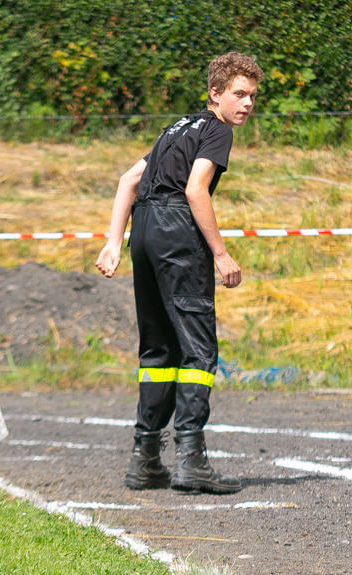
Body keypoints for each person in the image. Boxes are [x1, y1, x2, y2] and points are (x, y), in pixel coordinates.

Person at [95, 52, 262, 494]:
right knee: (198, 349)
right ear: (215, 94)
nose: (246, 104)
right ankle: (191, 461)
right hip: (176, 233)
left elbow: (129, 181)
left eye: (252, 97)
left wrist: (115, 241)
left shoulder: (175, 128)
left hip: (144, 234)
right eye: (239, 94)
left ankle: (145, 459)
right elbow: (195, 189)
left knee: (158, 350)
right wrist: (221, 254)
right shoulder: (216, 131)